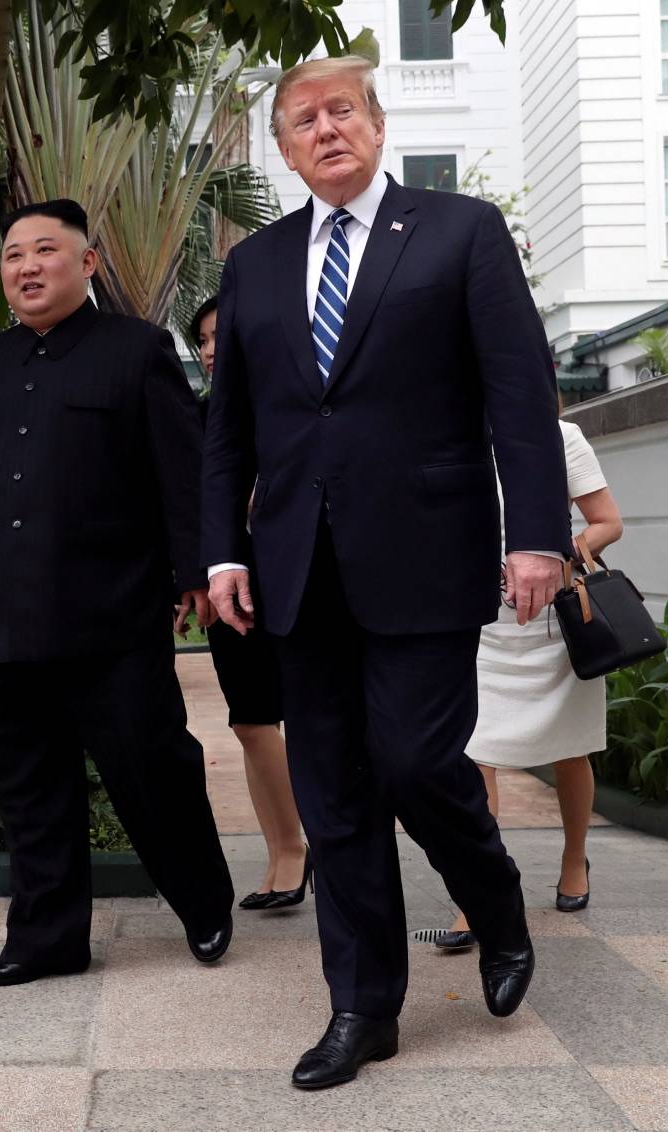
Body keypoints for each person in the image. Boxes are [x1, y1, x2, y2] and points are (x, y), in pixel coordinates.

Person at [201, 56, 571, 1091]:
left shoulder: (458, 232)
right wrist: (223, 548)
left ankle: (491, 895)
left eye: (341, 112)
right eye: (302, 121)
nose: (325, 130)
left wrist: (536, 534)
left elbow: (518, 395)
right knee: (337, 795)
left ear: (374, 124)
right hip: (296, 567)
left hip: (426, 548)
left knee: (412, 761)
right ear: (282, 148)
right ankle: (362, 1005)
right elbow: (228, 426)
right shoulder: (257, 264)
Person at [0, 198, 235, 988]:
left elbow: (180, 474)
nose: (27, 267)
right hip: (9, 624)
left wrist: (195, 574)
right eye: (13, 255)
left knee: (152, 772)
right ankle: (47, 939)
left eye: (46, 251)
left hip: (113, 618)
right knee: (30, 789)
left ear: (85, 264)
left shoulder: (137, 351)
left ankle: (205, 902)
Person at [432, 418, 623, 951]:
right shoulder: (445, 428)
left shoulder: (561, 436)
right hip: (478, 620)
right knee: (475, 752)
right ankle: (477, 894)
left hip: (556, 619)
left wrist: (558, 560)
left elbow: (607, 522)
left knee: (570, 750)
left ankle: (573, 859)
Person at [190, 297, 311, 910]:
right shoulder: (202, 414)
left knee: (286, 718)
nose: (212, 348)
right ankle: (283, 851)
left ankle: (301, 848)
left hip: (291, 574)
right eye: (203, 340)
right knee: (249, 720)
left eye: (221, 336)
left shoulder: (287, 401)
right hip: (226, 583)